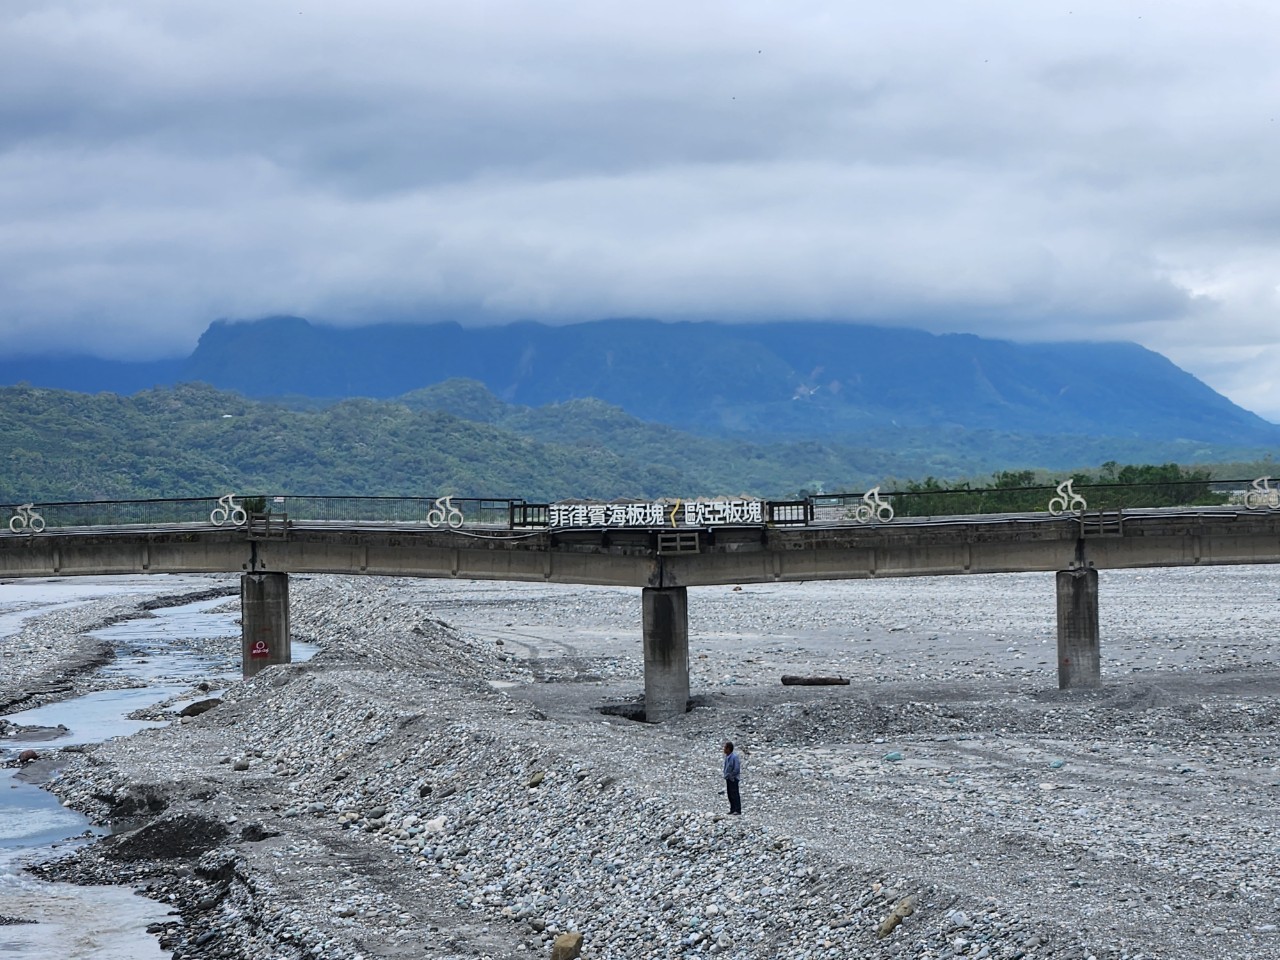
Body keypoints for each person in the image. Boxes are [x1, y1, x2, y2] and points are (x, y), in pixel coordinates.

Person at [722, 741, 742, 814]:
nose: (724, 749)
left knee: (735, 794)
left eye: (725, 748)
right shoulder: (727, 757)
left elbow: (736, 769)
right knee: (730, 794)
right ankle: (732, 809)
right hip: (728, 778)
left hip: (733, 779)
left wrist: (731, 776)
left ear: (729, 749)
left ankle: (737, 809)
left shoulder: (734, 757)